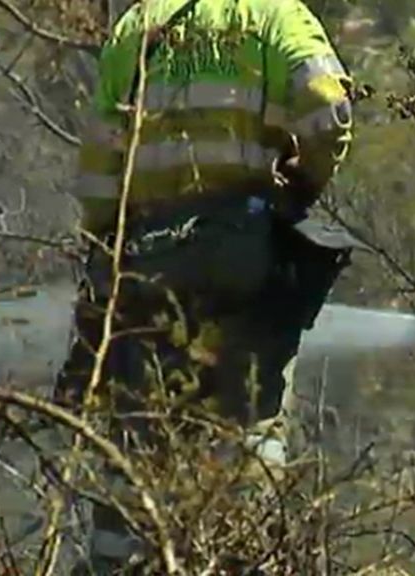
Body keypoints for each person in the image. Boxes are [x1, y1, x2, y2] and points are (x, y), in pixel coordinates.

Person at [55, 0, 354, 570]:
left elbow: (98, 163)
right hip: (239, 254)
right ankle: (239, 555)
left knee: (140, 445)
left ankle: (121, 564)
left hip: (143, 265)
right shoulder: (274, 15)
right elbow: (329, 108)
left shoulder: (137, 26)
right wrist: (297, 188)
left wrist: (103, 253)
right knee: (247, 428)